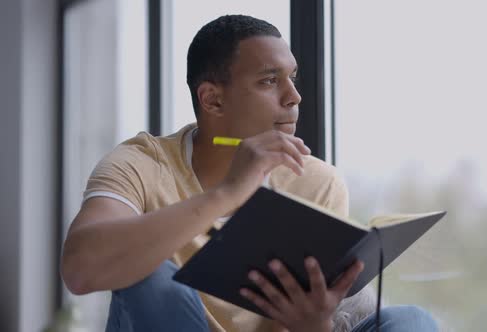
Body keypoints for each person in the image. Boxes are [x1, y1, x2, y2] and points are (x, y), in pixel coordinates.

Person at [60, 14, 438, 332]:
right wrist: (229, 192)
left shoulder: (316, 181)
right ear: (212, 99)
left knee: (412, 320)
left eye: (292, 77)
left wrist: (314, 325)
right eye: (269, 81)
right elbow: (81, 270)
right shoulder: (141, 163)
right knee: (150, 277)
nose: (293, 96)